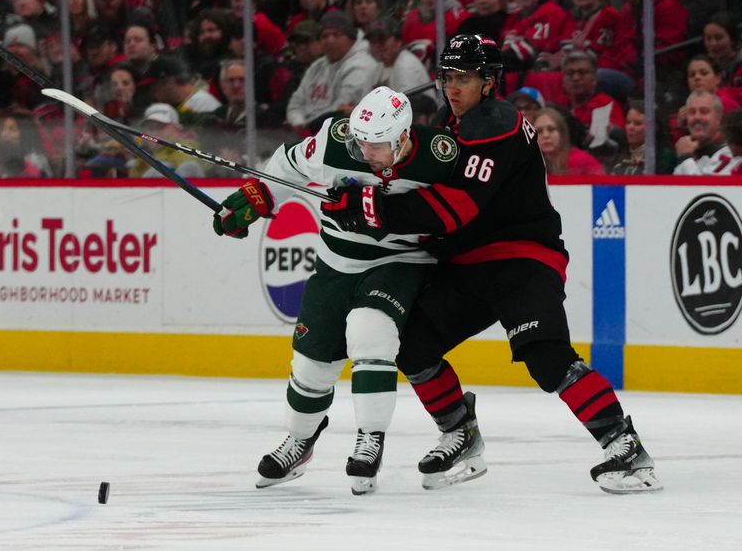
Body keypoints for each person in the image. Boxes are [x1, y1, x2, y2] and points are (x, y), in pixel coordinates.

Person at [321, 34, 663, 494]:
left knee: (546, 356)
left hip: (521, 257)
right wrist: (365, 196)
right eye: (447, 78)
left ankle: (623, 442)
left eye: (464, 78)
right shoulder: (455, 123)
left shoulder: (497, 123)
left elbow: (452, 209)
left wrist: (368, 207)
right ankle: (460, 432)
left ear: (489, 82)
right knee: (414, 343)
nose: (452, 87)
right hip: (468, 263)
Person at [212, 86, 460, 494]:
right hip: (336, 263)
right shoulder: (335, 140)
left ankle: (370, 438)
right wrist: (251, 200)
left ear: (402, 137)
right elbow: (286, 168)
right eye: (361, 143)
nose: (365, 153)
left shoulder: (440, 156)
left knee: (370, 330)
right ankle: (300, 440)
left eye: (376, 146)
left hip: (401, 262)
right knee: (311, 364)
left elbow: (465, 207)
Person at [286, 11, 379, 135]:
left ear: (352, 39)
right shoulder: (318, 66)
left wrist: (307, 126)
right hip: (309, 133)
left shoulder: (361, 65)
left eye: (336, 35)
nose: (330, 40)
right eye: (324, 36)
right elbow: (296, 101)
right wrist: (297, 121)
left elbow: (340, 110)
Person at [673, 90, 740, 175]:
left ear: (718, 118)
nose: (697, 117)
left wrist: (686, 158)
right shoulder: (685, 151)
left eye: (704, 112)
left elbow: (707, 187)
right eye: (692, 112)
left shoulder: (732, 152)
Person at [534, 107, 605, 174]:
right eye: (539, 131)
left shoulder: (582, 160)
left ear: (562, 133)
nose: (545, 135)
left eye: (551, 129)